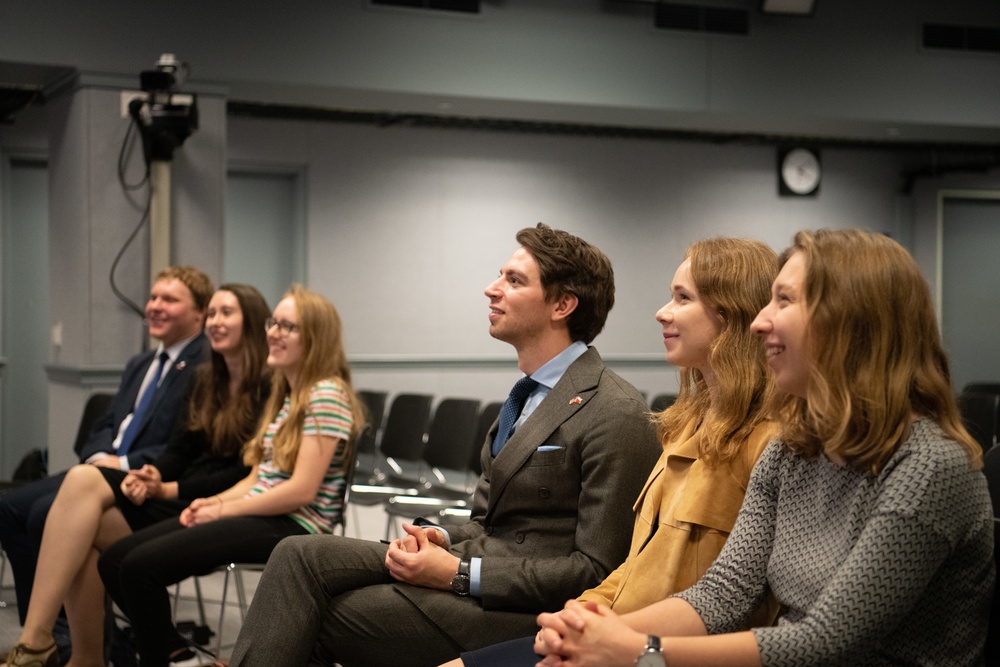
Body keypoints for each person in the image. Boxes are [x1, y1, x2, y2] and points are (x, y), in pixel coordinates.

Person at [534, 229, 994, 667]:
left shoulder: (930, 466)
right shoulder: (794, 450)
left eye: (785, 300)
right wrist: (593, 636)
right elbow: (724, 591)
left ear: (851, 322)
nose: (758, 322)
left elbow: (825, 642)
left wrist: (639, 652)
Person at [226, 223, 660, 667]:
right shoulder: (524, 397)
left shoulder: (615, 411)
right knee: (298, 552)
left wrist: (459, 573)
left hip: (524, 611)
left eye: (514, 281)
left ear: (563, 305)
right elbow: (486, 524)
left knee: (319, 616)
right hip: (477, 566)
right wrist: (441, 538)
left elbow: (598, 571)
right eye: (500, 276)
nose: (491, 289)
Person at [444, 237, 780, 667]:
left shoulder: (766, 442)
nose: (662, 311)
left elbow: (727, 600)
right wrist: (581, 613)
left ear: (731, 315)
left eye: (682, 298)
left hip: (654, 648)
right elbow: (636, 565)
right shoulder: (683, 427)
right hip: (612, 627)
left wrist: (609, 638)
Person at [1, 284, 271, 667]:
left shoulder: (270, 387)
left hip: (220, 501)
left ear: (253, 322)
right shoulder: (206, 378)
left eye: (226, 313)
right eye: (211, 313)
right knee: (83, 497)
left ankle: (40, 645)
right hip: (176, 489)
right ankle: (72, 653)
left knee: (82, 498)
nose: (214, 321)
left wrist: (167, 486)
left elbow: (240, 473)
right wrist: (152, 474)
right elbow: (182, 448)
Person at [96, 285, 363, 667]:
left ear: (315, 338)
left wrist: (223, 513)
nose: (273, 332)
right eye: (274, 323)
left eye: (288, 326)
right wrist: (214, 502)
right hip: (264, 513)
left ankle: (170, 659)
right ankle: (179, 655)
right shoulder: (287, 394)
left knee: (138, 569)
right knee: (116, 561)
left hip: (295, 526)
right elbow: (258, 476)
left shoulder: (326, 394)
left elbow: (301, 491)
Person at [0, 265, 212, 624]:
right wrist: (101, 456)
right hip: (102, 468)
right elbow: (106, 422)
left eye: (170, 300)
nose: (155, 306)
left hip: (148, 480)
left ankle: (65, 635)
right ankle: (42, 629)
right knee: (9, 509)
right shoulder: (142, 363)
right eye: (154, 297)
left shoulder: (205, 366)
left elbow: (185, 445)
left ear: (199, 313)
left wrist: (123, 464)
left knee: (44, 514)